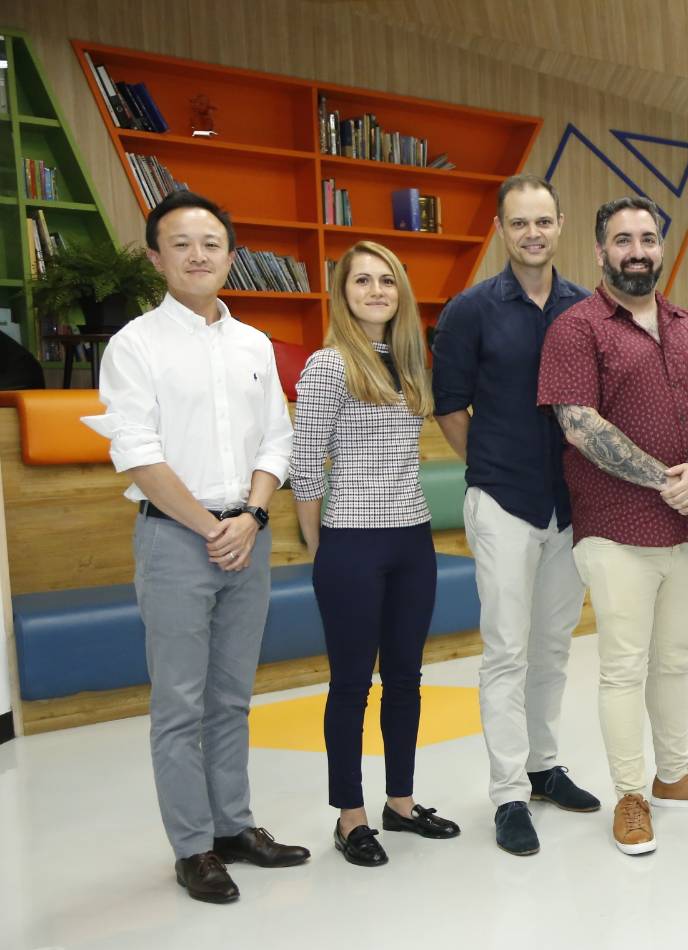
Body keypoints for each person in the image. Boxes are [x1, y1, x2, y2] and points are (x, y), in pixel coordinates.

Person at [85, 190, 309, 903]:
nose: (197, 254)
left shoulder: (254, 344)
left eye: (210, 243)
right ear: (156, 258)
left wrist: (251, 514)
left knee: (232, 697)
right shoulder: (134, 345)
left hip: (248, 534)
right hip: (176, 539)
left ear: (230, 255)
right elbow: (137, 452)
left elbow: (277, 438)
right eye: (179, 243)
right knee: (179, 704)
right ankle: (193, 847)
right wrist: (213, 527)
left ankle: (233, 825)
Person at [537, 195, 688, 856]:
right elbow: (578, 423)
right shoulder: (577, 327)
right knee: (624, 665)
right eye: (622, 240)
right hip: (616, 526)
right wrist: (667, 479)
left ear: (660, 247)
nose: (636, 251)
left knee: (676, 659)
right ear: (600, 251)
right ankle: (630, 794)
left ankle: (673, 774)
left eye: (647, 238)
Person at [432, 175, 598, 857]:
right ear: (501, 229)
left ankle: (542, 766)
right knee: (506, 648)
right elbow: (450, 407)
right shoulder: (469, 310)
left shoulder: (585, 308)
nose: (533, 233)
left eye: (543, 221)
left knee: (553, 644)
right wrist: (495, 463)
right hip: (502, 500)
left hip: (570, 504)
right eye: (519, 222)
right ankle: (507, 793)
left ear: (560, 226)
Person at [291, 241, 459, 867]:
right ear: (343, 294)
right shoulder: (328, 365)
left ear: (401, 293)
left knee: (407, 679)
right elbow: (305, 466)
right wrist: (321, 548)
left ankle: (401, 804)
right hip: (351, 540)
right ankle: (350, 817)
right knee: (351, 685)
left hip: (412, 537)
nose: (376, 291)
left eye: (387, 280)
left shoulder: (411, 362)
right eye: (362, 280)